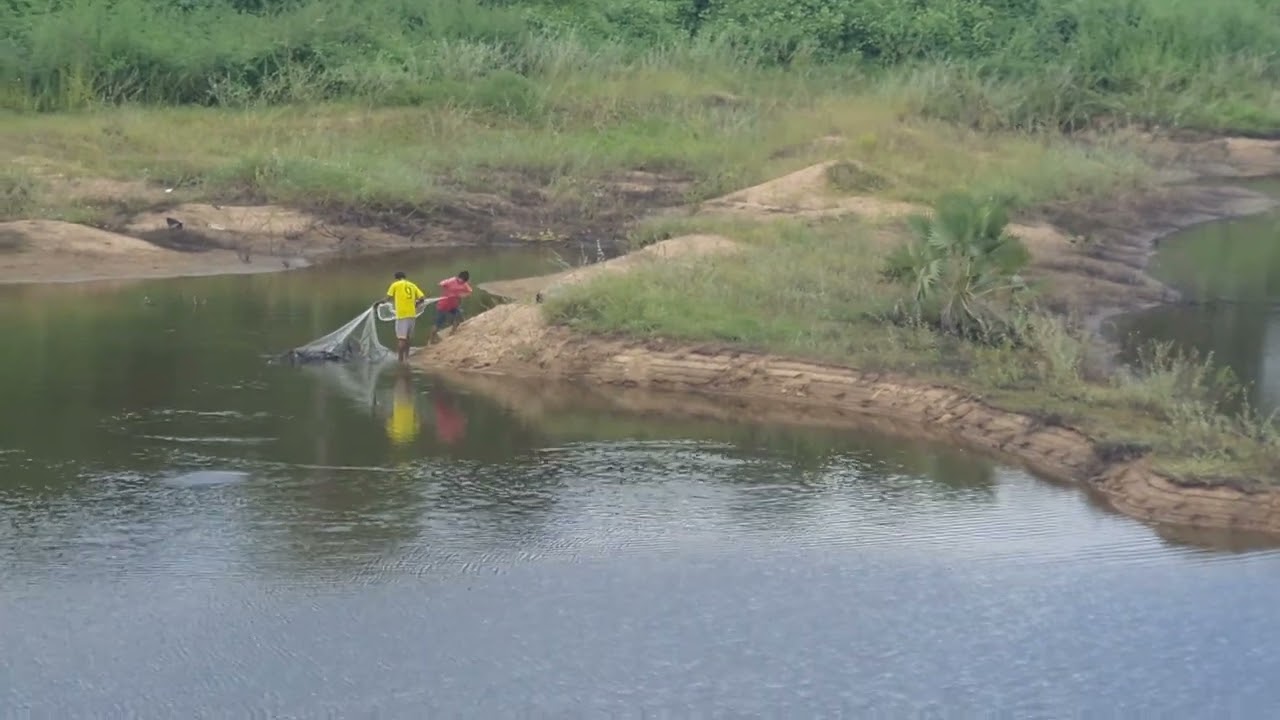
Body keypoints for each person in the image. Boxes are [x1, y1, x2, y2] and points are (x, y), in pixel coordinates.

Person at [376, 271, 426, 362]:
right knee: (408, 337)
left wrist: (378, 303)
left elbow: (387, 299)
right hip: (412, 314)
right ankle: (406, 358)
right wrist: (416, 304)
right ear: (404, 277)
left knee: (401, 338)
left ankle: (400, 360)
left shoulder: (395, 285)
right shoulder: (412, 285)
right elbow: (422, 298)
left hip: (402, 315)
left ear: (396, 278)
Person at [430, 270, 472, 343]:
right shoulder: (451, 281)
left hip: (453, 305)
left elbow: (469, 292)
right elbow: (440, 284)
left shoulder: (464, 284)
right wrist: (446, 290)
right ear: (458, 277)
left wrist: (462, 295)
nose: (462, 282)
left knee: (459, 317)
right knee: (438, 323)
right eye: (461, 280)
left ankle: (453, 332)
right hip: (443, 305)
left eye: (464, 281)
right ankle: (432, 338)